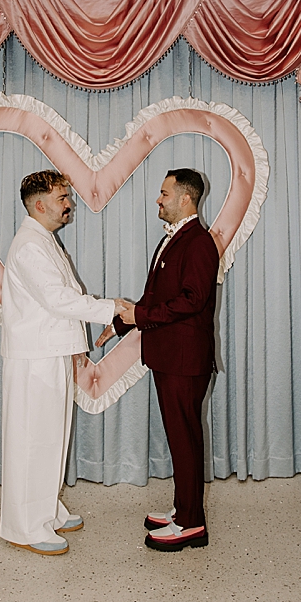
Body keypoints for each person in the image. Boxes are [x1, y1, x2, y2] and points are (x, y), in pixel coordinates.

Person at [0, 170, 118, 555]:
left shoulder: (44, 240)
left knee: (51, 437)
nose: (69, 203)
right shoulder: (30, 245)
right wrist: (114, 308)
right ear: (39, 204)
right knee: (31, 440)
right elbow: (59, 301)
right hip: (34, 358)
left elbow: (62, 301)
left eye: (67, 196)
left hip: (49, 352)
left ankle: (47, 509)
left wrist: (75, 346)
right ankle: (25, 526)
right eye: (63, 197)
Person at [111, 168, 219, 551]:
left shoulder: (199, 243)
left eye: (163, 193)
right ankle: (183, 509)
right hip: (169, 357)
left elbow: (192, 300)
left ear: (185, 198)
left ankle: (191, 524)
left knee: (185, 440)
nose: (158, 200)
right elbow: (157, 296)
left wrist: (137, 317)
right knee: (180, 439)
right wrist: (121, 323)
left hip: (185, 360)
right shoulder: (173, 240)